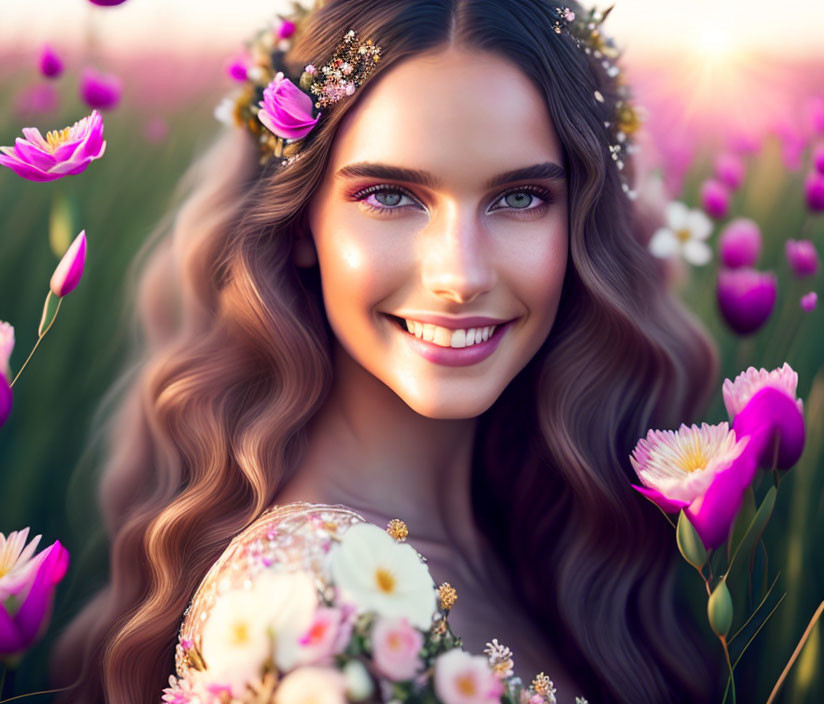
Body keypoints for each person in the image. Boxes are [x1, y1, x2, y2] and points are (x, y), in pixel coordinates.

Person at [51, 0, 722, 701]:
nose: (459, 276)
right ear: (301, 223)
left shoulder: (528, 538)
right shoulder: (308, 608)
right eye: (391, 195)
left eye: (520, 198)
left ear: (581, 222)